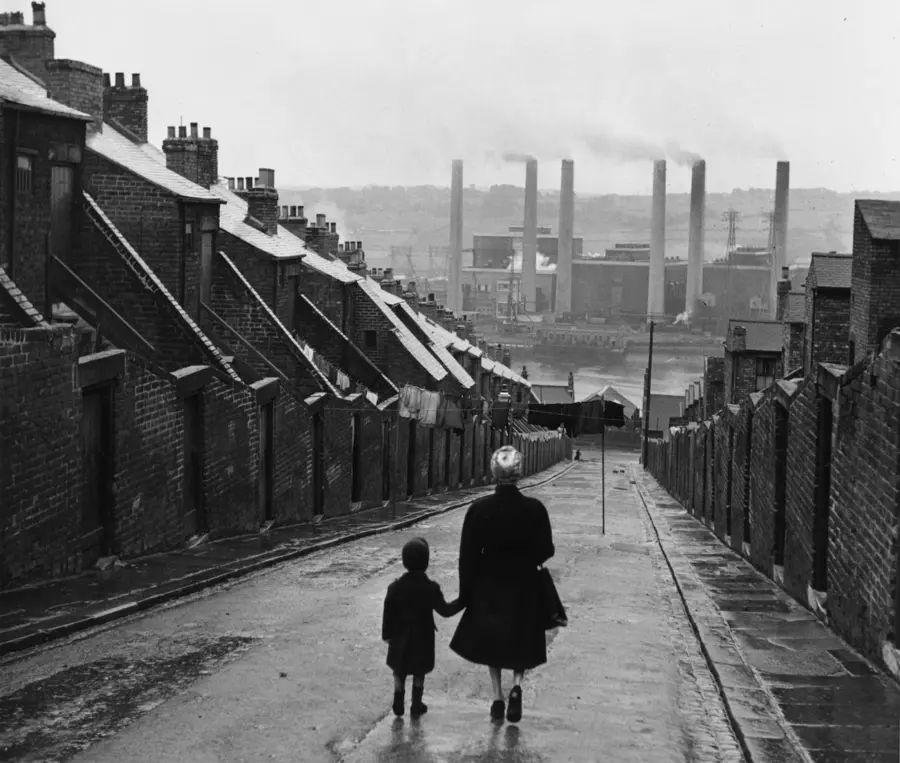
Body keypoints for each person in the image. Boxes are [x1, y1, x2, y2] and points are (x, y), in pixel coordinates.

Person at [450, 445, 555, 723]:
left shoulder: (479, 510)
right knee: (522, 638)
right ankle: (517, 686)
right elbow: (546, 550)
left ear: (494, 472)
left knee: (493, 642)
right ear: (519, 472)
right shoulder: (535, 509)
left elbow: (467, 556)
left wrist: (465, 594)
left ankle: (497, 696)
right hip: (525, 583)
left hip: (489, 584)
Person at [382, 537, 463, 717]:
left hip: (399, 638)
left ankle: (398, 700)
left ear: (404, 562)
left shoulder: (394, 587)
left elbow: (388, 613)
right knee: (419, 672)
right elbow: (445, 610)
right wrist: (462, 602)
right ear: (426, 563)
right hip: (422, 638)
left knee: (399, 671)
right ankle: (416, 705)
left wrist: (386, 634)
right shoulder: (430, 588)